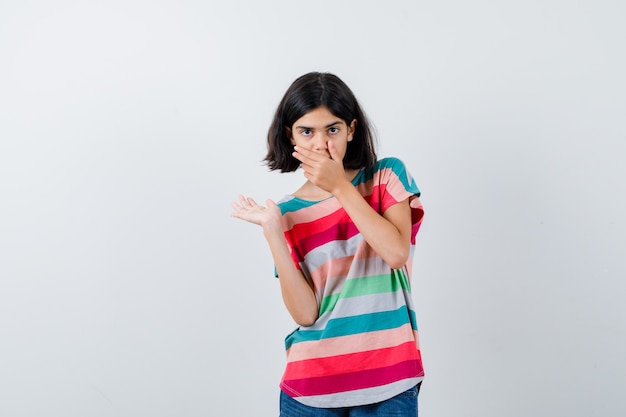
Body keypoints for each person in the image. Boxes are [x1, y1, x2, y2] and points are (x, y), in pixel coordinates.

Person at [230, 72, 425, 417]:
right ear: (290, 136)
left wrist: (341, 188)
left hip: (390, 382)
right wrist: (274, 232)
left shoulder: (386, 177)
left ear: (351, 129)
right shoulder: (287, 213)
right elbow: (306, 314)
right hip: (310, 391)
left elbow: (396, 253)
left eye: (332, 129)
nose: (321, 145)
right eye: (307, 132)